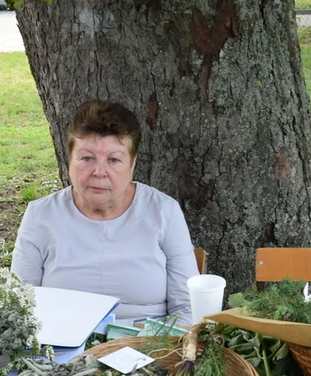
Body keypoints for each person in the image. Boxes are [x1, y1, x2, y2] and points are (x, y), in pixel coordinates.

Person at [10, 100, 198, 325]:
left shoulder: (163, 212)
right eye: (87, 158)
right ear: (70, 159)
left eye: (114, 160)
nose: (99, 172)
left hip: (149, 347)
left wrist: (156, 350)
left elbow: (187, 308)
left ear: (132, 163)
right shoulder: (41, 215)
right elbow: (18, 307)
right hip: (61, 349)